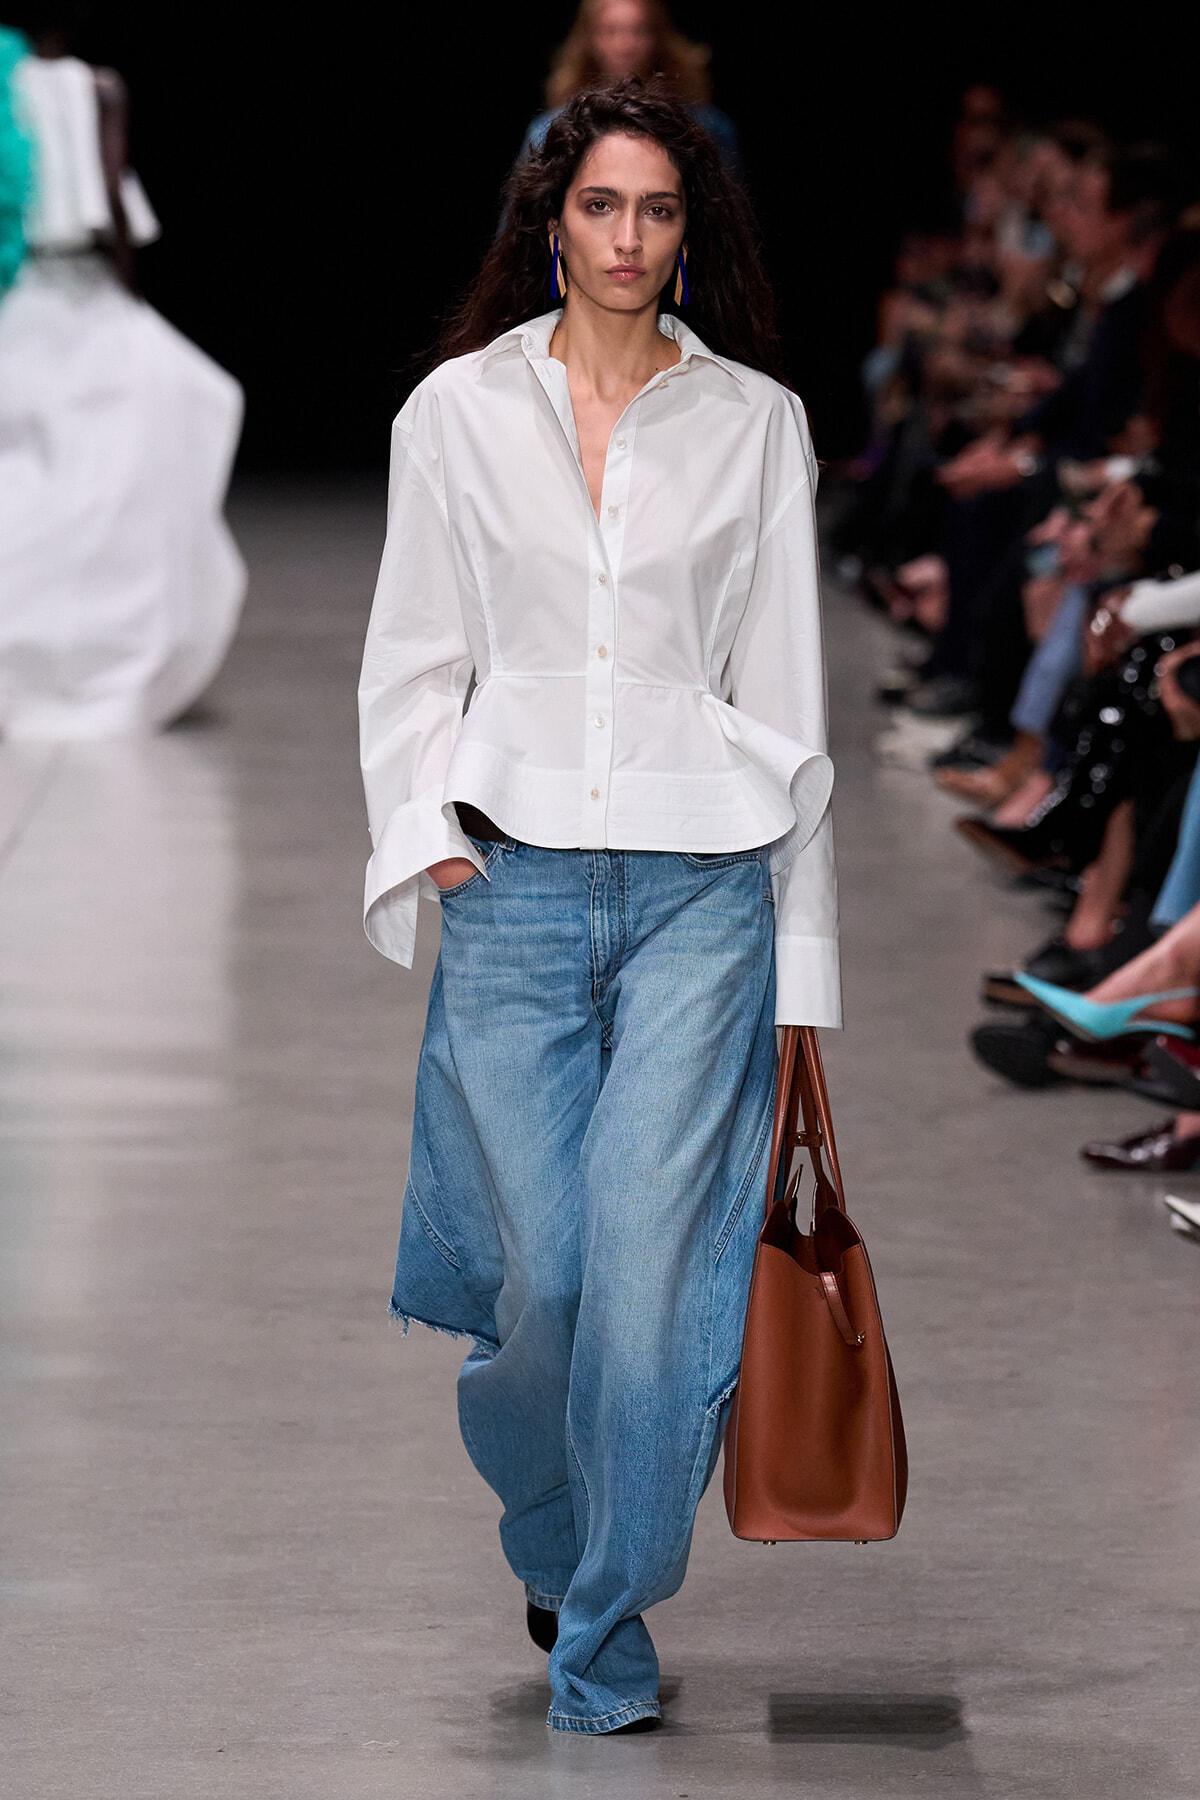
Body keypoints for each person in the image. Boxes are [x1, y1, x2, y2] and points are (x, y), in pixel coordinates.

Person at [358, 79, 839, 1734]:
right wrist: (426, 832)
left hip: (707, 888)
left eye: (658, 210)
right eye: (601, 207)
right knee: (544, 1290)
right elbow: (413, 652)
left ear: (689, 233)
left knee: (648, 1287)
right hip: (517, 885)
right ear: (550, 224)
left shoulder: (755, 423)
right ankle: (559, 1534)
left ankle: (606, 1627)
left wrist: (804, 977)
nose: (628, 238)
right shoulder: (455, 414)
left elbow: (787, 699)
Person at [0, 9, 245, 739]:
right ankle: (89, 656)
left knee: (36, 475)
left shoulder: (9, 84)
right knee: (126, 457)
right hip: (78, 293)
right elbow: (111, 204)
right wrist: (126, 294)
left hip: (22, 296)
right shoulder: (96, 87)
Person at [520, 0, 740, 172]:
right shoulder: (548, 132)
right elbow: (525, 212)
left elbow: (727, 211)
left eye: (638, 31)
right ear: (589, 40)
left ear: (658, 37)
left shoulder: (707, 128)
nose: (625, 46)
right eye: (610, 31)